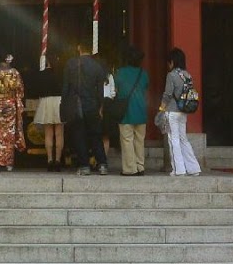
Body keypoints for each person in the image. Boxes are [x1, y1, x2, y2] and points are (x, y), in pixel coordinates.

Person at [63, 42, 109, 176]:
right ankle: (102, 164)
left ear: (79, 48)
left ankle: (84, 165)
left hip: (76, 105)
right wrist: (101, 107)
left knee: (79, 135)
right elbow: (100, 90)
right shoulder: (97, 66)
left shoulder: (71, 64)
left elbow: (66, 87)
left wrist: (64, 104)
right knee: (96, 135)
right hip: (92, 104)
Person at [158, 48, 202, 176]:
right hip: (183, 111)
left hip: (172, 111)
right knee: (183, 139)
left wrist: (161, 109)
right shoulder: (187, 75)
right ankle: (194, 168)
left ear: (172, 61)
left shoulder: (171, 75)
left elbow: (167, 94)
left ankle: (179, 169)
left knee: (173, 139)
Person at [113, 46, 151, 176]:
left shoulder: (120, 72)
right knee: (140, 140)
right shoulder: (143, 73)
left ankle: (130, 168)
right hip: (141, 110)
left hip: (126, 111)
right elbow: (146, 88)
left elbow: (116, 89)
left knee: (127, 140)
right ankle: (140, 166)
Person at [33, 52, 66, 172]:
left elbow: (37, 90)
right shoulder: (62, 74)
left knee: (48, 134)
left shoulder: (42, 74)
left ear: (47, 61)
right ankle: (58, 160)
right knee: (59, 133)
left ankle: (49, 160)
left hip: (46, 102)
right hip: (59, 102)